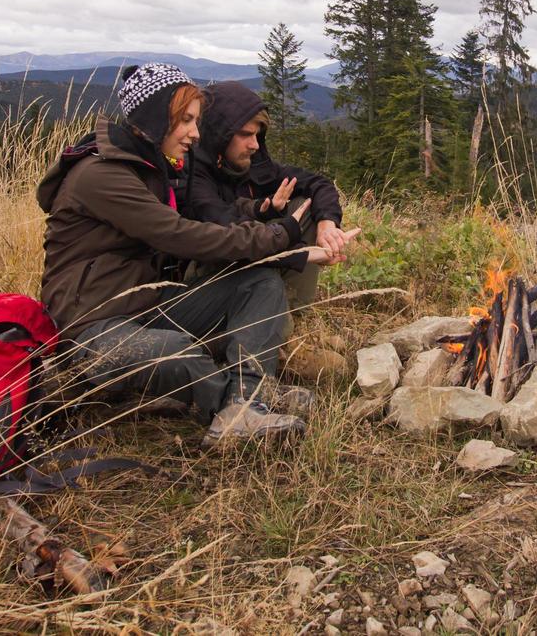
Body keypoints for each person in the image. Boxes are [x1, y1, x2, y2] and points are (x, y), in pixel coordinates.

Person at [36, 63, 353, 446]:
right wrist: (280, 236)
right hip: (94, 326)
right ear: (157, 117)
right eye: (185, 120)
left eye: (197, 121)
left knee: (259, 283)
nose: (195, 133)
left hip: (148, 304)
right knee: (177, 354)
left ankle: (248, 402)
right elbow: (182, 235)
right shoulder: (103, 176)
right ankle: (243, 400)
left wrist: (267, 218)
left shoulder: (153, 165)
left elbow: (215, 213)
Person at [183, 81, 349, 306]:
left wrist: (327, 224)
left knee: (304, 204)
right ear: (220, 133)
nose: (254, 145)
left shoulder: (254, 165)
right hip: (212, 271)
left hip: (258, 253)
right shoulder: (193, 174)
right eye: (245, 134)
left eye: (257, 135)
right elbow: (226, 231)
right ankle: (260, 308)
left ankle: (292, 304)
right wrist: (303, 254)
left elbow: (317, 183)